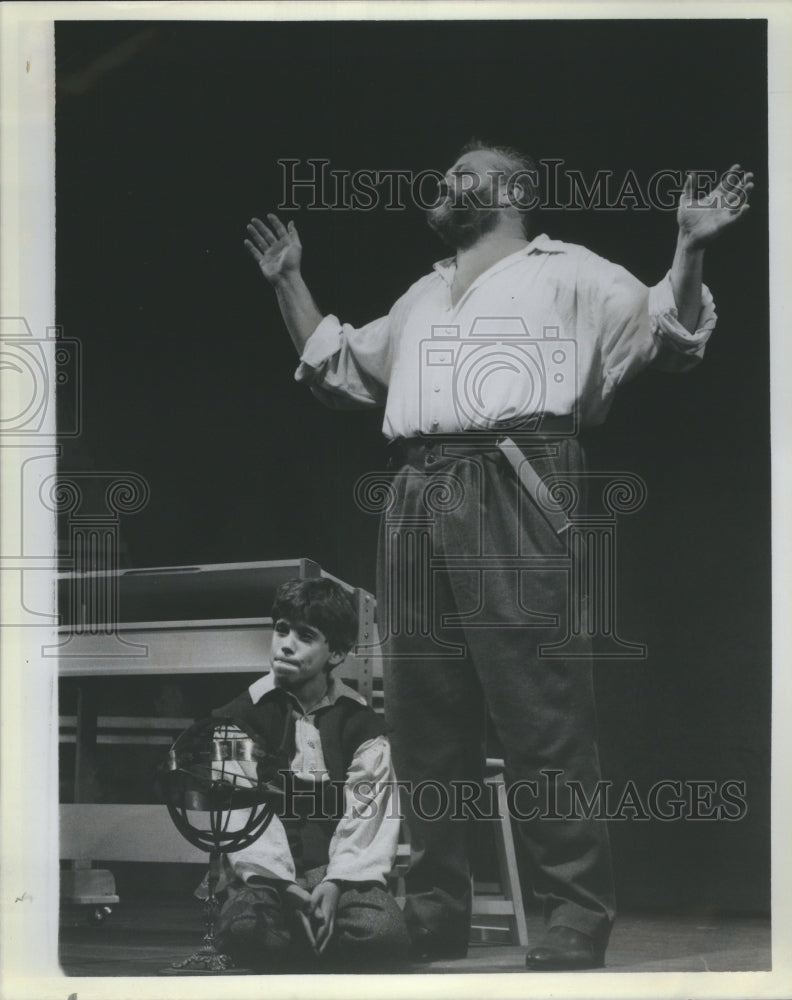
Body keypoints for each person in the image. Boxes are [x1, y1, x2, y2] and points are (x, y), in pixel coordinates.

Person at [243, 142, 754, 970]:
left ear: (514, 190)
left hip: (517, 477)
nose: (443, 183)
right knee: (421, 717)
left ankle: (574, 914)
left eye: (463, 173)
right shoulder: (424, 291)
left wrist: (689, 247)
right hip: (414, 488)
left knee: (539, 709)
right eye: (442, 173)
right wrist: (287, 281)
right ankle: (436, 908)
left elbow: (669, 329)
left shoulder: (571, 271)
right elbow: (340, 367)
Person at [208, 577, 410, 971]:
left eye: (305, 636)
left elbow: (368, 815)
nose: (285, 643)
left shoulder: (361, 725)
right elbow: (242, 809)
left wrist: (336, 883)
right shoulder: (238, 719)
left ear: (335, 652)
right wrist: (283, 885)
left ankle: (307, 935)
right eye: (281, 630)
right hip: (267, 880)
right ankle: (304, 936)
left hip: (340, 879)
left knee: (383, 934)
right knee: (244, 930)